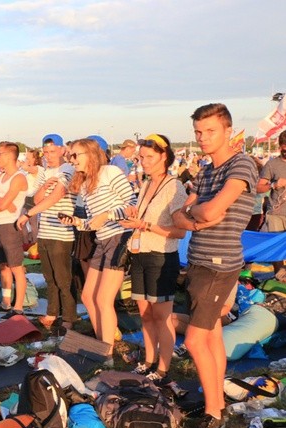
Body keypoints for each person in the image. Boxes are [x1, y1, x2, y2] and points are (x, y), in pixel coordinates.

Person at [171, 103, 257, 428]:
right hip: (198, 259)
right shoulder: (206, 171)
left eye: (210, 131)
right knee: (211, 336)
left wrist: (197, 215)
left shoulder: (242, 164)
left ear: (227, 131)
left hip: (220, 264)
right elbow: (184, 213)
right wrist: (195, 217)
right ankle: (216, 400)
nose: (203, 138)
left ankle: (213, 413)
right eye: (198, 132)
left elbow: (214, 210)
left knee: (193, 340)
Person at [118, 134, 186, 384]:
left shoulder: (174, 186)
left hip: (161, 256)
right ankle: (148, 360)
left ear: (164, 156)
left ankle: (164, 367)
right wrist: (135, 214)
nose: (143, 162)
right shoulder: (146, 183)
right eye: (141, 157)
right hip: (140, 254)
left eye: (148, 157)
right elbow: (144, 217)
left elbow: (180, 231)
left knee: (162, 316)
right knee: (145, 314)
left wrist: (144, 224)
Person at [61, 138, 136, 357]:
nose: (71, 160)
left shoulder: (110, 172)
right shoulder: (85, 183)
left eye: (75, 155)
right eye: (70, 156)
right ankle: (101, 342)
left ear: (90, 155)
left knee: (103, 299)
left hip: (118, 237)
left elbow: (133, 206)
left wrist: (107, 215)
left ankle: (107, 353)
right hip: (102, 240)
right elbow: (92, 223)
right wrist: (76, 222)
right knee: (87, 296)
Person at [17, 134, 77, 330]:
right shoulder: (46, 172)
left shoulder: (67, 169)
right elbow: (38, 198)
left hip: (61, 232)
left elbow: (57, 194)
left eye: (52, 151)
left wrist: (29, 214)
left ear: (62, 150)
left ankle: (68, 317)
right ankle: (52, 312)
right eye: (46, 152)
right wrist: (44, 186)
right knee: (49, 277)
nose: (49, 156)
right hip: (45, 231)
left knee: (63, 278)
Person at [0, 141, 28, 319]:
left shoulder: (19, 177)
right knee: (3, 266)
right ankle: (6, 302)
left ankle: (18, 307)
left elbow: (2, 204)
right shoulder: (0, 178)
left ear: (9, 156)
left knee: (16, 267)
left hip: (11, 225)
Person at [256, 130, 286, 273]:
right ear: (280, 146)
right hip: (276, 212)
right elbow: (258, 187)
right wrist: (274, 185)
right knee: (277, 248)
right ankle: (280, 276)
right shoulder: (272, 164)